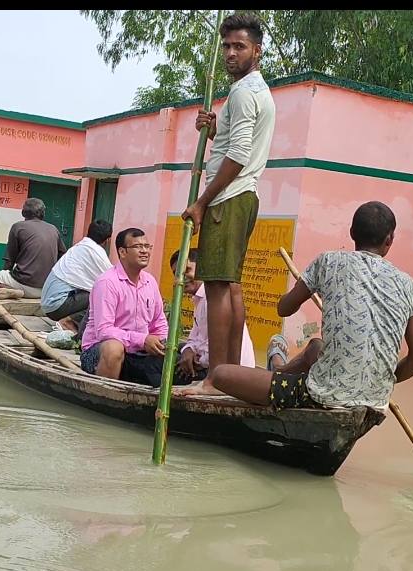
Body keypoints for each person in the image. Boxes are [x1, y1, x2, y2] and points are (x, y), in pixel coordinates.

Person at [205, 201, 413, 412]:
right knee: (315, 346)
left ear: (351, 233)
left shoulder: (329, 261)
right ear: (390, 239)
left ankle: (276, 371)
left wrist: (307, 286)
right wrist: (383, 380)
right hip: (377, 399)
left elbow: (284, 309)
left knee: (221, 374)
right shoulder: (409, 285)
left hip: (321, 394)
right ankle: (279, 371)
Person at [178, 12, 277, 397]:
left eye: (239, 46)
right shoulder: (257, 91)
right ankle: (231, 376)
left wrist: (202, 202)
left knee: (217, 287)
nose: (231, 53)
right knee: (231, 287)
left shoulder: (242, 92)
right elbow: (237, 144)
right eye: (227, 46)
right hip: (244, 195)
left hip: (229, 197)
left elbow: (238, 155)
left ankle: (215, 380)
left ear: (257, 50)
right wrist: (216, 129)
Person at [79, 227, 169, 387]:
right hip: (99, 352)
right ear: (122, 252)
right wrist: (142, 340)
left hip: (137, 353)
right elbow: (104, 331)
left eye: (147, 246)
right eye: (137, 247)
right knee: (114, 348)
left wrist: (162, 344)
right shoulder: (107, 282)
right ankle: (104, 396)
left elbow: (159, 324)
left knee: (181, 353)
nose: (144, 251)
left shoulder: (150, 282)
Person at [168, 248, 256, 385]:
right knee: (169, 346)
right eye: (177, 274)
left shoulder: (214, 298)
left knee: (155, 364)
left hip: (219, 371)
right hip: (208, 361)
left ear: (202, 268)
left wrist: (194, 361)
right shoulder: (199, 298)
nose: (182, 277)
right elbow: (195, 337)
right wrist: (188, 350)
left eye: (187, 270)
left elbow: (217, 349)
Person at [0, 197, 66, 300]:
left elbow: (9, 263)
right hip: (46, 289)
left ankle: (7, 288)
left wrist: (2, 280)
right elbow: (63, 258)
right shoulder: (53, 229)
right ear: (42, 214)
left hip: (23, 284)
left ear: (23, 213)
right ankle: (12, 289)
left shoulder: (18, 227)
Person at [40, 219, 114, 337]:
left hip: (48, 304)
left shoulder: (81, 247)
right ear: (108, 240)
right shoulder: (95, 252)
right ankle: (69, 322)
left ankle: (73, 322)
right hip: (56, 305)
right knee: (102, 295)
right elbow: (114, 281)